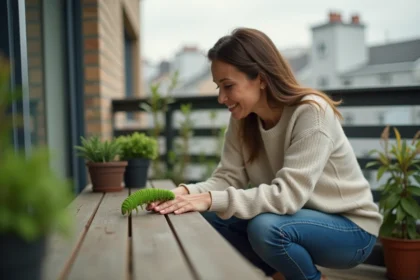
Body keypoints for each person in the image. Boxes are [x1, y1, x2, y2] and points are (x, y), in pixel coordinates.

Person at [146, 27, 383, 280]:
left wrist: (209, 199)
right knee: (206, 216)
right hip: (294, 221)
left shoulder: (311, 113)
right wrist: (182, 194)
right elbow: (226, 178)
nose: (221, 97)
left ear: (260, 78)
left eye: (228, 86)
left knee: (265, 228)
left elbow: (287, 197)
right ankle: (283, 274)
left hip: (351, 230)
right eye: (218, 87)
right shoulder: (243, 118)